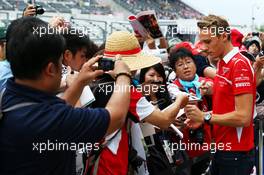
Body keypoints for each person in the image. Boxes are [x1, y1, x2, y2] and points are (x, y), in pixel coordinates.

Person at [0, 17, 131, 175]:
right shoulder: (53, 120)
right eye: (61, 62)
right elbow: (116, 117)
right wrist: (123, 75)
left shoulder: (7, 94)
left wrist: (80, 82)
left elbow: (53, 111)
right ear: (50, 69)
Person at [86, 31, 189, 175]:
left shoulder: (90, 83)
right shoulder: (128, 91)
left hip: (90, 160)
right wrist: (180, 101)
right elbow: (164, 121)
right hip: (114, 162)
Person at [185, 14, 256, 175]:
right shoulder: (223, 62)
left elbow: (244, 117)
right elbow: (227, 104)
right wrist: (202, 116)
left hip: (235, 154)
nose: (203, 47)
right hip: (223, 149)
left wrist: (205, 117)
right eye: (202, 41)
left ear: (224, 36)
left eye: (208, 41)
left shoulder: (239, 64)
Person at [169, 48, 212, 175]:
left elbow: (213, 87)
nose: (186, 67)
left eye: (188, 62)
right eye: (180, 64)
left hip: (206, 143)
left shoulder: (204, 82)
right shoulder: (172, 88)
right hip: (182, 147)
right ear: (175, 70)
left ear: (195, 64)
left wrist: (207, 89)